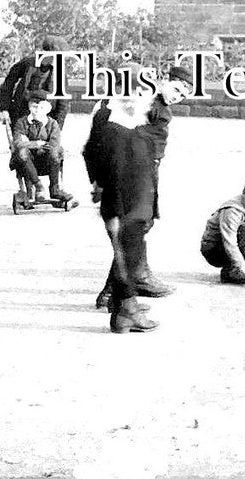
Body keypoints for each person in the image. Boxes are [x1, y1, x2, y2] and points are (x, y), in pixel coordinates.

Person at [92, 63, 187, 308]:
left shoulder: (160, 106)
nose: (178, 96)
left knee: (142, 224)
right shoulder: (145, 100)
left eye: (183, 95)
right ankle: (114, 293)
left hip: (147, 168)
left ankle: (128, 285)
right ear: (166, 79)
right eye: (177, 88)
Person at [82, 83, 159, 333]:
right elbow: (105, 167)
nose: (146, 101)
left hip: (136, 201)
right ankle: (126, 311)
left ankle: (120, 303)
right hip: (125, 205)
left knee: (129, 254)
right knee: (128, 256)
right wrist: (111, 203)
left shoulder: (133, 125)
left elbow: (88, 153)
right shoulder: (115, 129)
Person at [9, 88, 71, 207]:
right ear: (29, 107)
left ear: (48, 109)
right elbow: (17, 142)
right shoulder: (21, 123)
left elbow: (54, 143)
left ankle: (55, 189)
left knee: (56, 151)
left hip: (47, 161)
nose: (37, 110)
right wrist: (36, 144)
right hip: (27, 161)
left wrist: (31, 144)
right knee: (22, 152)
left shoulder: (52, 124)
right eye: (34, 107)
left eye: (41, 107)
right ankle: (38, 186)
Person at [0, 35, 71, 129]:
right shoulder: (28, 63)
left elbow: (63, 103)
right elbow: (9, 82)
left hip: (45, 118)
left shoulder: (59, 72)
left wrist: (57, 128)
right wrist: (4, 109)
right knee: (20, 142)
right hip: (21, 113)